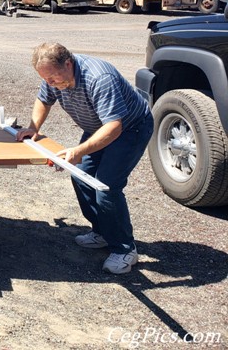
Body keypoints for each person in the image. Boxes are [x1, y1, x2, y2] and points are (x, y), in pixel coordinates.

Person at [16, 42, 153, 274]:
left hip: (129, 129)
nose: (51, 83)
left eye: (53, 78)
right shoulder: (53, 74)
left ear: (68, 64)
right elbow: (44, 99)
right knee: (81, 177)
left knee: (107, 186)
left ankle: (124, 249)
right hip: (98, 128)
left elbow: (114, 127)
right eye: (46, 79)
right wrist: (33, 128)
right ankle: (101, 231)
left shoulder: (99, 78)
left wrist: (78, 151)